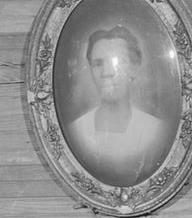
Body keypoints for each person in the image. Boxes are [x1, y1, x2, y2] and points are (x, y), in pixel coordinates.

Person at [66, 27, 170, 184]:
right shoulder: (76, 131)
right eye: (98, 64)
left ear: (134, 68)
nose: (107, 72)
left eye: (119, 62)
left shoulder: (156, 131)